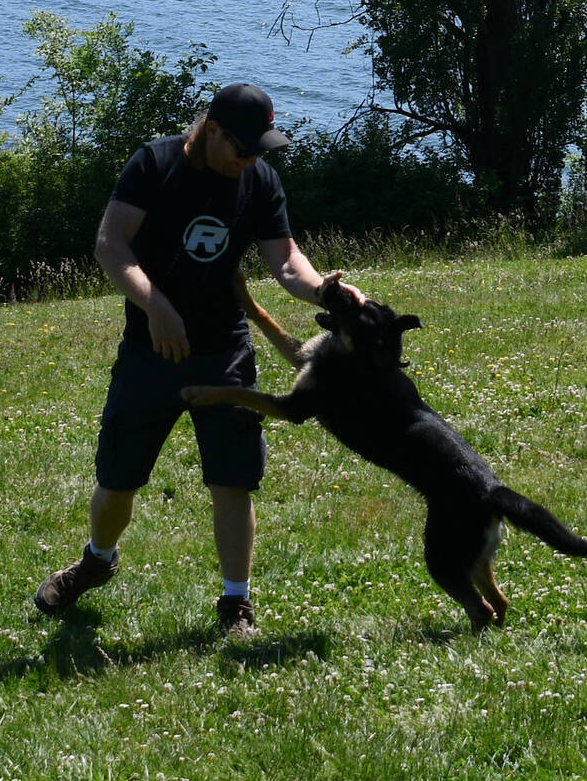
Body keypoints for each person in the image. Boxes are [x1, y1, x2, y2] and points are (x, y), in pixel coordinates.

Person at [33, 81, 356, 634]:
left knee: (233, 480)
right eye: (241, 149)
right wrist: (155, 305)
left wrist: (324, 290)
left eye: (258, 151)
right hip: (151, 349)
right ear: (211, 130)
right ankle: (96, 561)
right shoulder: (155, 165)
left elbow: (286, 261)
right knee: (117, 479)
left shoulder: (259, 181)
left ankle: (236, 604)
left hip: (223, 350)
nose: (248, 160)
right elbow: (111, 244)